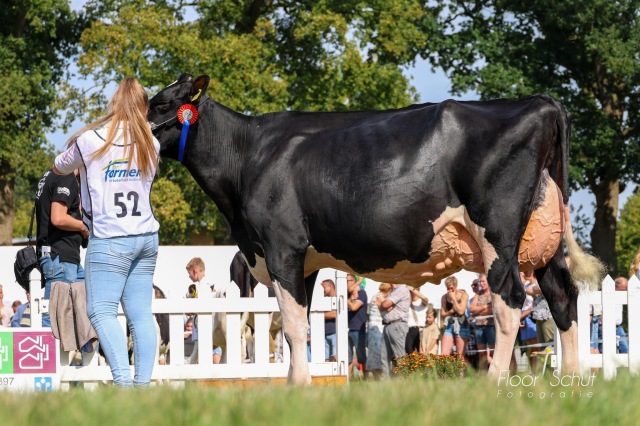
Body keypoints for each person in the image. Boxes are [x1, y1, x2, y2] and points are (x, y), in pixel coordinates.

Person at [53, 77, 160, 387]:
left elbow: (60, 166)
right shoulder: (150, 143)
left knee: (100, 311)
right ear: (144, 106)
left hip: (110, 237)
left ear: (115, 104)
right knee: (140, 314)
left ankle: (124, 385)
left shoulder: (90, 140)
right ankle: (141, 388)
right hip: (146, 237)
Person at [35, 167, 89, 328]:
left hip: (62, 258)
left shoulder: (50, 174)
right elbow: (58, 218)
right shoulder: (66, 176)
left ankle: (83, 352)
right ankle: (49, 353)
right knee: (54, 320)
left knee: (86, 312)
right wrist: (84, 226)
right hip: (61, 258)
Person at [374, 283, 410, 378]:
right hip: (388, 325)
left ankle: (405, 381)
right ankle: (386, 382)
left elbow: (385, 305)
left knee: (399, 355)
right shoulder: (393, 291)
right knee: (384, 356)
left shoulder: (401, 289)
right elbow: (386, 306)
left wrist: (381, 302)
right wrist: (383, 304)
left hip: (397, 324)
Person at [366, 283, 391, 379]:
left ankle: (378, 376)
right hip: (377, 327)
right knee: (378, 352)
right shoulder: (379, 297)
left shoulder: (375, 295)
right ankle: (379, 376)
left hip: (374, 327)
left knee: (375, 352)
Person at [440, 276, 470, 358]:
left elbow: (461, 311)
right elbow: (442, 314)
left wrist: (453, 299)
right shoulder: (444, 297)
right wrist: (451, 311)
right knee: (443, 354)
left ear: (455, 286)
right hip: (449, 324)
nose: (449, 291)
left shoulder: (463, 294)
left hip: (461, 324)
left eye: (451, 288)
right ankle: (445, 370)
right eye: (447, 289)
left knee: (460, 355)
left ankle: (461, 371)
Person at [470, 274, 495, 370]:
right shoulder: (478, 294)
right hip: (479, 326)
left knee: (493, 352)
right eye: (480, 281)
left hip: (491, 325)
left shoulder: (493, 294)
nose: (481, 283)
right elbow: (472, 309)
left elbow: (492, 309)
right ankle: (483, 376)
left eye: (483, 281)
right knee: (482, 353)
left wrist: (478, 310)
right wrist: (484, 307)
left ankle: (493, 374)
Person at [346, 274, 367, 377]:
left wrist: (347, 301)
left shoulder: (362, 293)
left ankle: (366, 379)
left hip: (359, 330)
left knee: (362, 358)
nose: (346, 283)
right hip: (349, 330)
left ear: (354, 281)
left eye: (348, 281)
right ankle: (347, 381)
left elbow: (354, 307)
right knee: (348, 359)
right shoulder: (346, 294)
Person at [519, 271, 538, 370]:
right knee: (529, 349)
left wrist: (520, 317)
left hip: (531, 318)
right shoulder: (526, 286)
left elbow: (532, 306)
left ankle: (539, 371)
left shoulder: (536, 285)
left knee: (536, 347)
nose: (522, 274)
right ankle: (533, 372)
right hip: (524, 318)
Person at [405, 287, 429, 353]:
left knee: (420, 351)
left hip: (420, 329)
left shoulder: (421, 301)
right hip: (409, 329)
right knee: (409, 351)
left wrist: (412, 288)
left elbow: (426, 300)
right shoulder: (407, 302)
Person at [321, 279, 337, 361]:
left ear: (330, 286)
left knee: (335, 356)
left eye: (324, 287)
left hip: (335, 333)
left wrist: (320, 315)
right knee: (326, 358)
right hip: (325, 333)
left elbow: (334, 314)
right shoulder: (324, 300)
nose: (322, 290)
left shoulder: (337, 298)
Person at [614, 277, 629, 354]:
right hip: (607, 327)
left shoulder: (622, 295)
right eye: (623, 289)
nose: (625, 291)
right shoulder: (607, 295)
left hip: (619, 327)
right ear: (616, 286)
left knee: (625, 349)